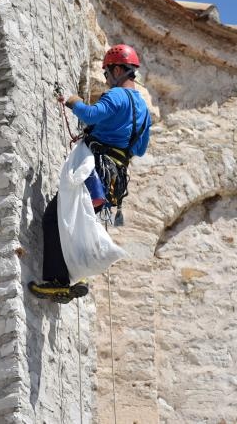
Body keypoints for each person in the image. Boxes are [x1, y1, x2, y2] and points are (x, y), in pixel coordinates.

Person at [28, 44, 152, 303]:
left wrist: (73, 102)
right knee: (79, 219)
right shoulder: (143, 111)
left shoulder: (116, 96)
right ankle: (74, 276)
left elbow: (90, 114)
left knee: (56, 217)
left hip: (94, 169)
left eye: (107, 73)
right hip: (113, 178)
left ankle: (59, 281)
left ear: (118, 70)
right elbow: (139, 148)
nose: (107, 79)